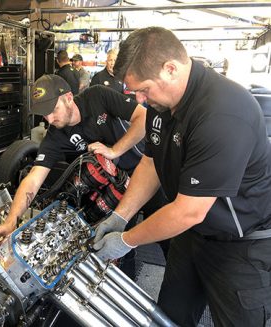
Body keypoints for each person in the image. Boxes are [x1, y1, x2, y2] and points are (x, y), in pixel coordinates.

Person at [93, 26, 271, 327]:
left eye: (144, 89)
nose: (140, 99)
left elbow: (189, 211)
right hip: (192, 237)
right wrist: (120, 216)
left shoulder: (223, 113)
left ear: (171, 69)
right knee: (169, 318)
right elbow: (151, 162)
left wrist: (127, 240)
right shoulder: (161, 105)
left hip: (240, 246)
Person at [0, 74, 146, 248]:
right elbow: (33, 179)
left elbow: (144, 118)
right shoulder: (55, 136)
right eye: (45, 115)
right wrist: (11, 221)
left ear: (68, 98)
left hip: (145, 168)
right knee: (119, 241)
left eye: (54, 110)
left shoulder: (97, 96)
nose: (50, 120)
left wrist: (114, 151)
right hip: (115, 188)